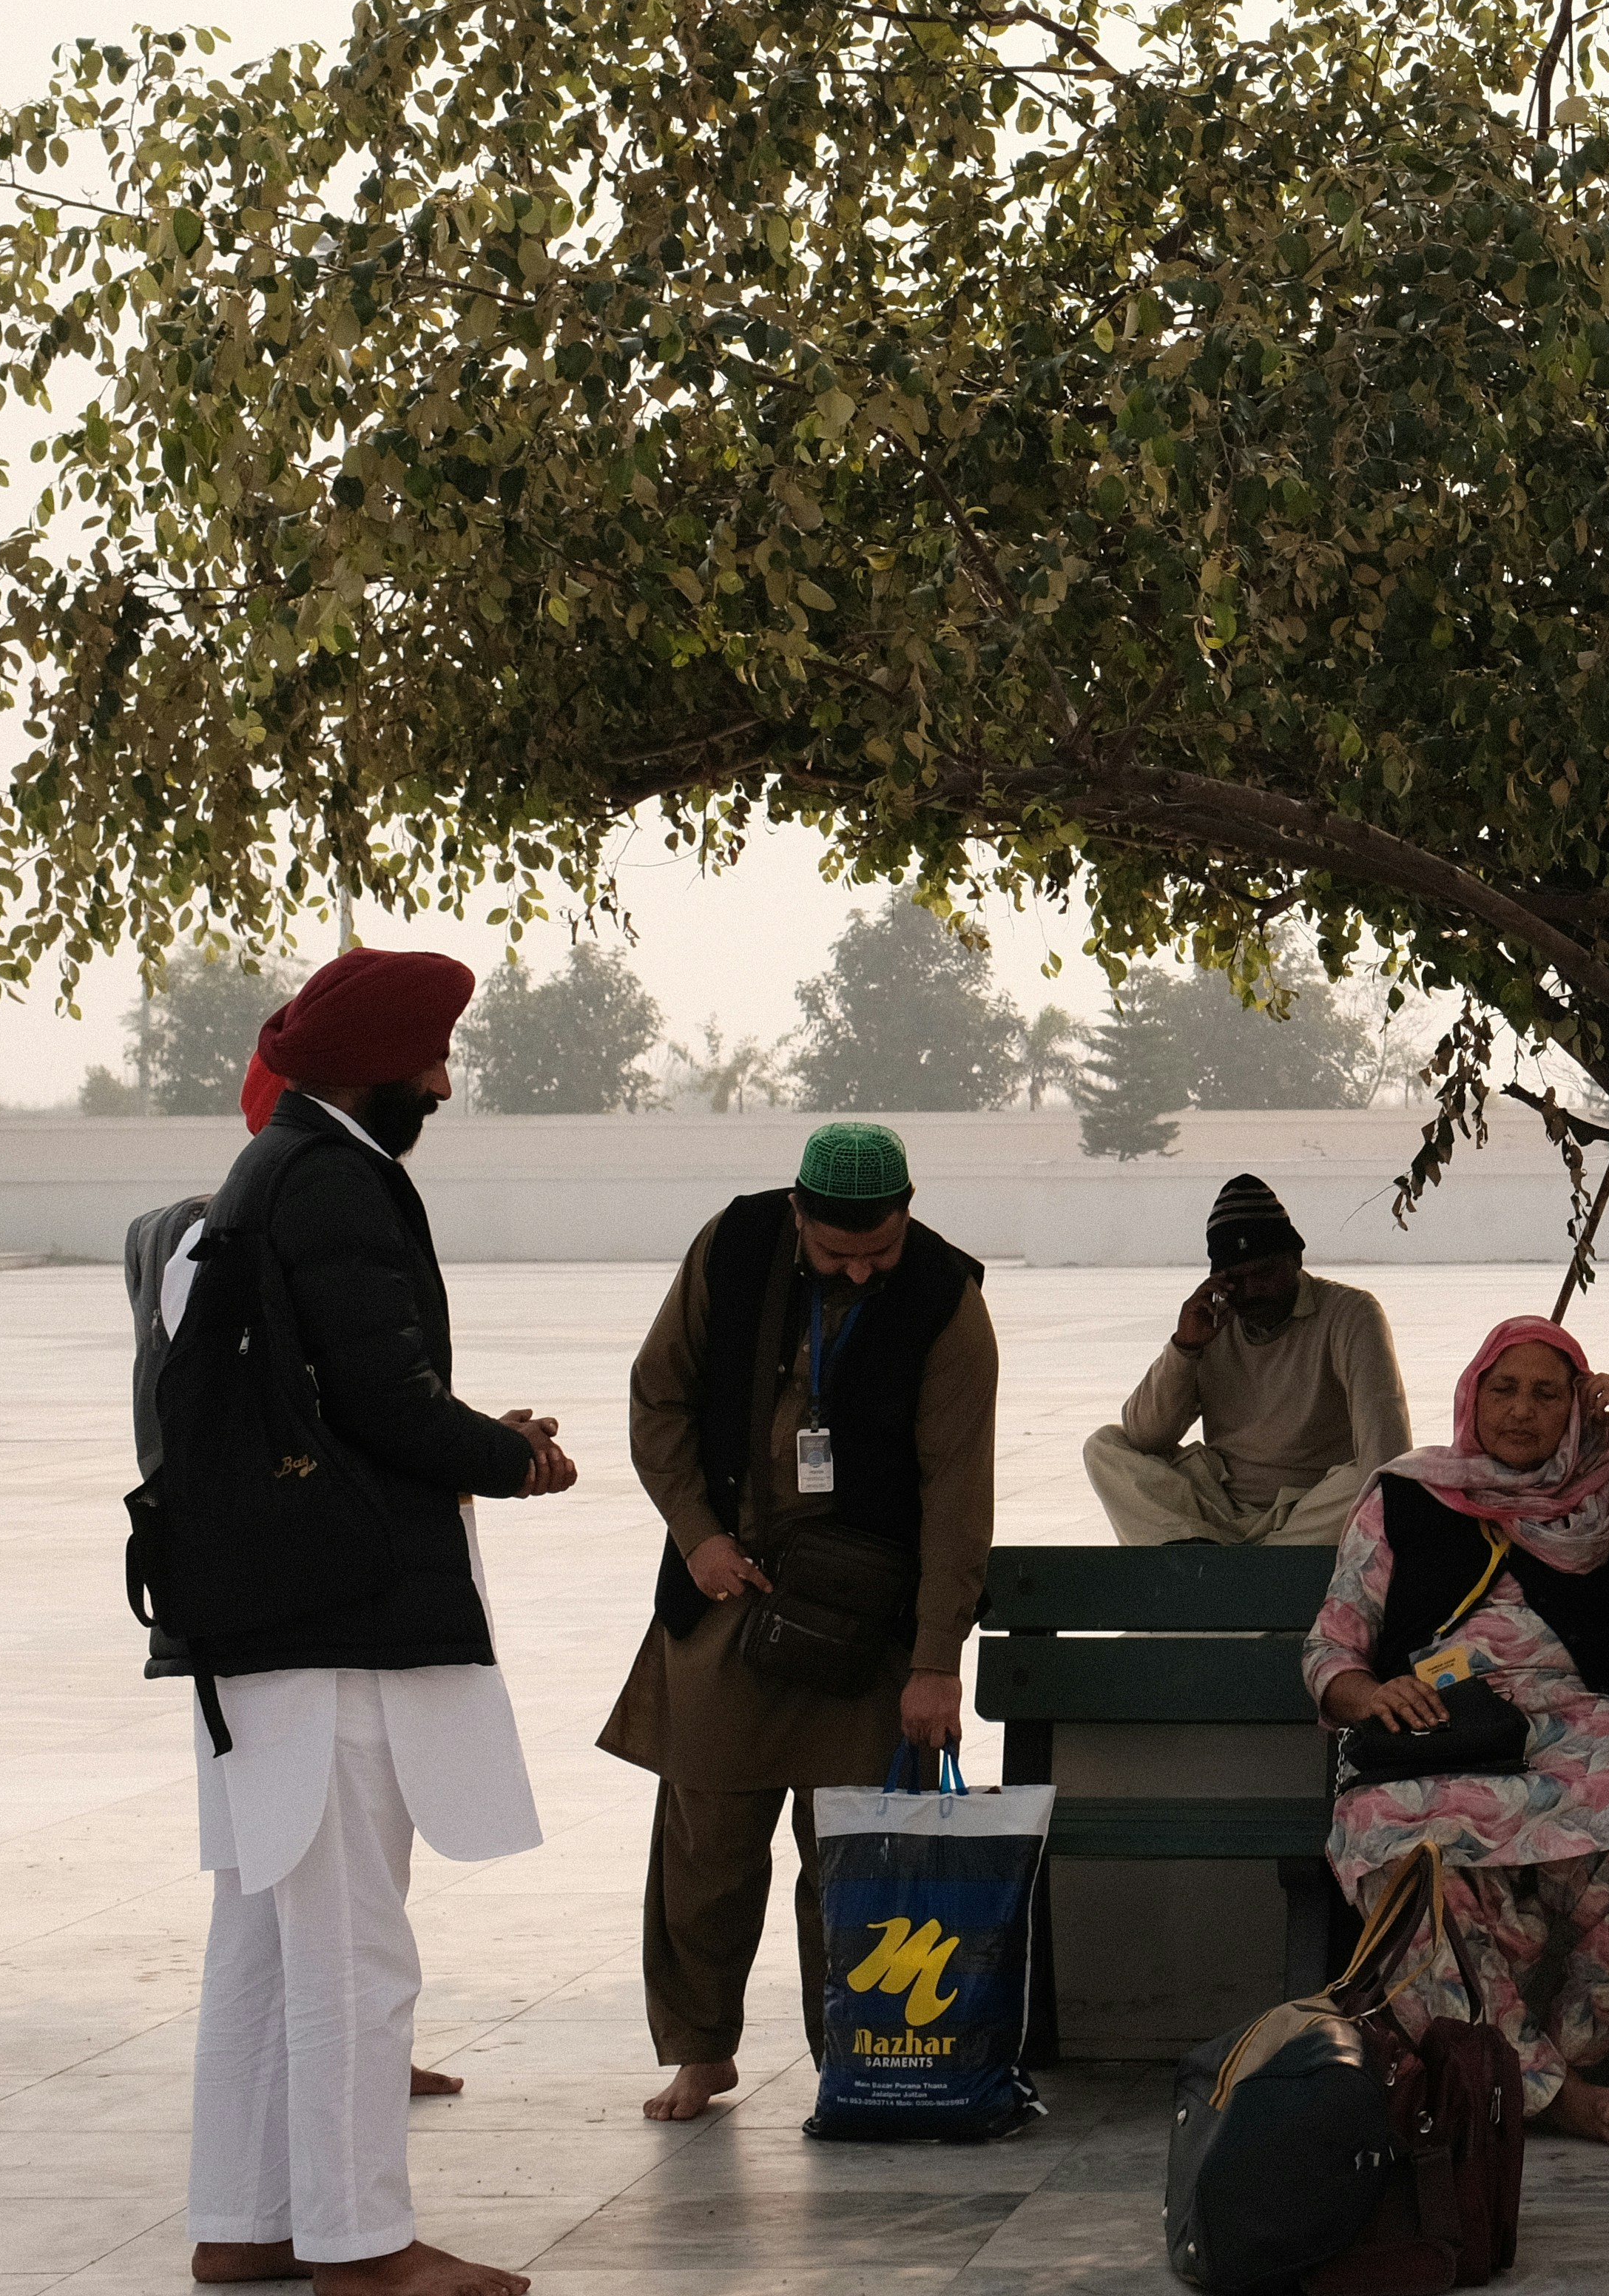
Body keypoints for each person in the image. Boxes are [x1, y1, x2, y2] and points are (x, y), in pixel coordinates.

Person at [161, 949, 578, 2296]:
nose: (443, 1085)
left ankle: (246, 2219)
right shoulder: (335, 1178)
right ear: (369, 1067)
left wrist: (469, 1439)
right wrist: (513, 1460)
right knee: (353, 1947)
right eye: (429, 1062)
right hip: (330, 1619)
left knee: (269, 1940)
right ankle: (362, 2244)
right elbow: (382, 1400)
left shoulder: (265, 1173)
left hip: (256, 1614)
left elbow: (328, 1399)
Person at [598, 1122, 1000, 2125]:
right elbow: (659, 1401)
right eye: (836, 1253)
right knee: (707, 1847)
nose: (861, 1271)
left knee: (850, 1858)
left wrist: (936, 1664)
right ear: (796, 1215)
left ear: (910, 1210)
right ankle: (699, 2051)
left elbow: (959, 1494)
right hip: (729, 1592)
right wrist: (696, 1536)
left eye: (881, 1248)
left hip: (865, 1623)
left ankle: (851, 2055)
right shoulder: (730, 1248)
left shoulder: (947, 1300)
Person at [1307, 1315, 1609, 2146]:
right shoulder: (1407, 1493)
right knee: (1389, 1847)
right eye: (1504, 1387)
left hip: (1581, 1726)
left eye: (1547, 1392)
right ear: (1472, 1393)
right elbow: (1335, 1641)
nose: (1521, 1409)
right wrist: (1368, 1693)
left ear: (1581, 1407)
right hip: (1443, 1732)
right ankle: (1544, 2087)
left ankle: (1517, 2070)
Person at [1083, 1173, 1411, 1546]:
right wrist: (1185, 1347)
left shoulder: (1351, 1314)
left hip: (1311, 1510)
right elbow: (1146, 1436)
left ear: (1296, 1259)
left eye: (1265, 1273)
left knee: (1378, 1480)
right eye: (1237, 1278)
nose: (1253, 1290)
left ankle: (1221, 1564)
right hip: (1222, 1508)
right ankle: (1218, 1554)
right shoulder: (1213, 1324)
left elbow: (1387, 1446)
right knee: (1104, 1447)